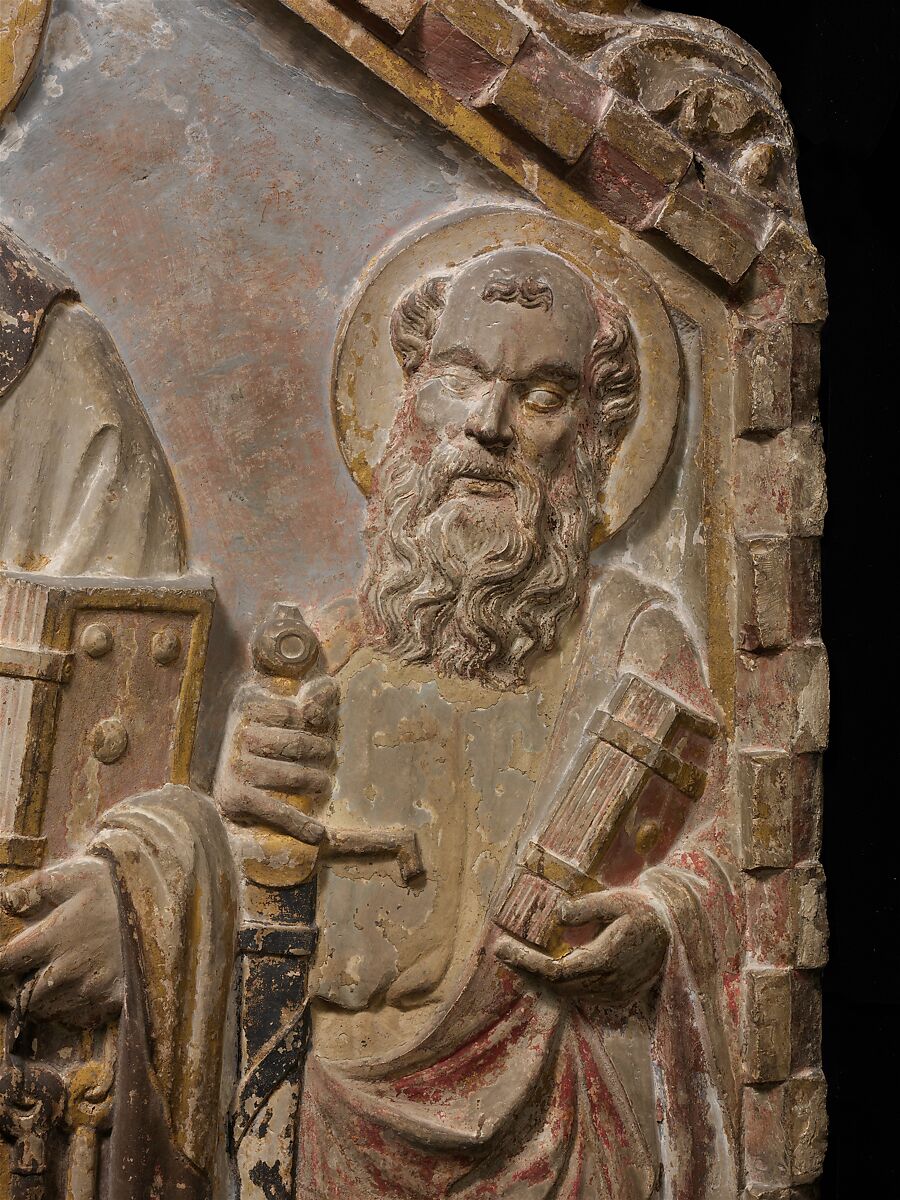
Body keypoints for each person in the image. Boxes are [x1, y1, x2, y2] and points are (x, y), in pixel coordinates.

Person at [218, 248, 742, 1199]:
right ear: (409, 399)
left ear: (596, 435)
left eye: (540, 395)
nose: (487, 426)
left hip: (567, 1137)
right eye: (459, 378)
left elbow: (742, 856)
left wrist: (658, 919)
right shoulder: (317, 659)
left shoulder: (634, 648)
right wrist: (229, 818)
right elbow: (237, 900)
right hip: (333, 1132)